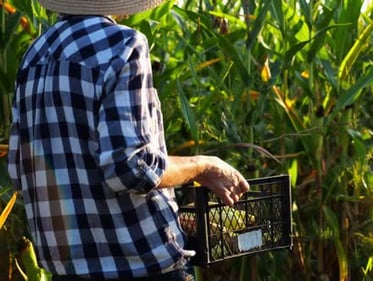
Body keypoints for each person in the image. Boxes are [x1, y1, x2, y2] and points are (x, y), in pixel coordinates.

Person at [7, 0, 249, 280]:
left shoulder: (33, 57)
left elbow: (20, 172)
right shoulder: (122, 44)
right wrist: (204, 166)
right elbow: (132, 168)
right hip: (139, 266)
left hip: (67, 270)